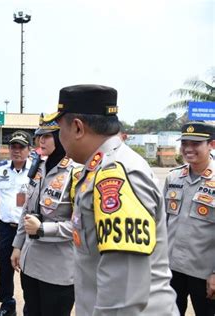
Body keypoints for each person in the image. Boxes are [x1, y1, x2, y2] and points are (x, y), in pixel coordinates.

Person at [55, 84, 178, 315]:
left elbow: (124, 298)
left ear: (78, 128)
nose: (58, 136)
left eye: (59, 128)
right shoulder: (100, 168)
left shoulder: (116, 177)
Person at [11, 113, 76, 316]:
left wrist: (43, 228)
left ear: (61, 137)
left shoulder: (77, 172)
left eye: (47, 136)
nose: (41, 140)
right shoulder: (38, 167)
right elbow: (27, 210)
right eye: (39, 136)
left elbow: (83, 225)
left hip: (58, 269)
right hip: (31, 264)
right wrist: (17, 245)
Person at [163, 121, 215, 315]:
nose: (188, 149)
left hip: (204, 272)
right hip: (171, 269)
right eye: (185, 143)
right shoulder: (173, 178)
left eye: (195, 144)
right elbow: (162, 222)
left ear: (212, 145)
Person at [0, 130, 32, 316]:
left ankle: (30, 307)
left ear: (28, 150)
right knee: (5, 268)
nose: (16, 151)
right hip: (7, 228)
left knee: (28, 270)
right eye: (13, 147)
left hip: (28, 230)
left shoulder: (37, 172)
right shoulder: (1, 171)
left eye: (21, 147)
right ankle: (7, 305)